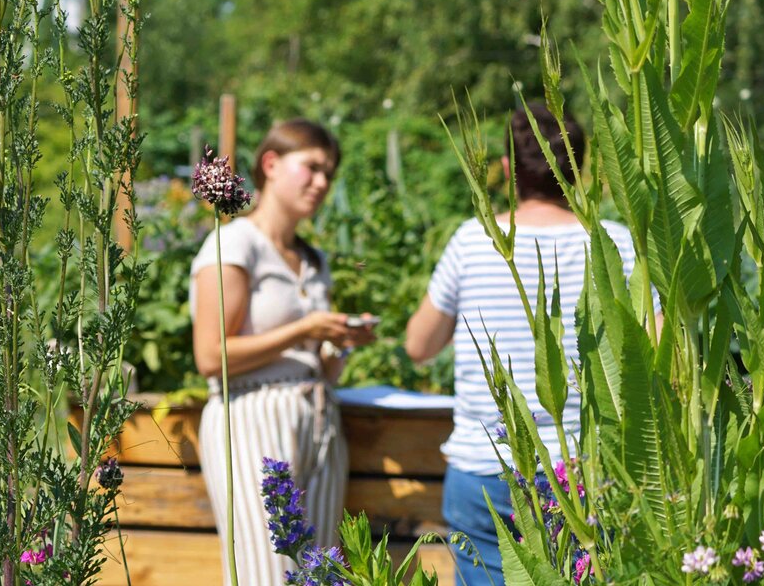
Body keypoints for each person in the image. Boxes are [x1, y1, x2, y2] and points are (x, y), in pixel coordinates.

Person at [404, 102, 645, 586]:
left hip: (485, 466)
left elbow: (419, 345)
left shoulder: (473, 241)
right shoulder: (612, 242)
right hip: (585, 468)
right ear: (577, 168)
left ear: (509, 169)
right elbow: (659, 352)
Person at [190, 118, 375, 585]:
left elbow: (324, 369)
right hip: (252, 414)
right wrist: (304, 328)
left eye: (329, 174)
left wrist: (340, 342)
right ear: (271, 163)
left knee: (322, 575)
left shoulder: (315, 259)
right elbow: (211, 356)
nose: (321, 182)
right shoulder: (234, 242)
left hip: (318, 416)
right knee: (267, 576)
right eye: (312, 167)